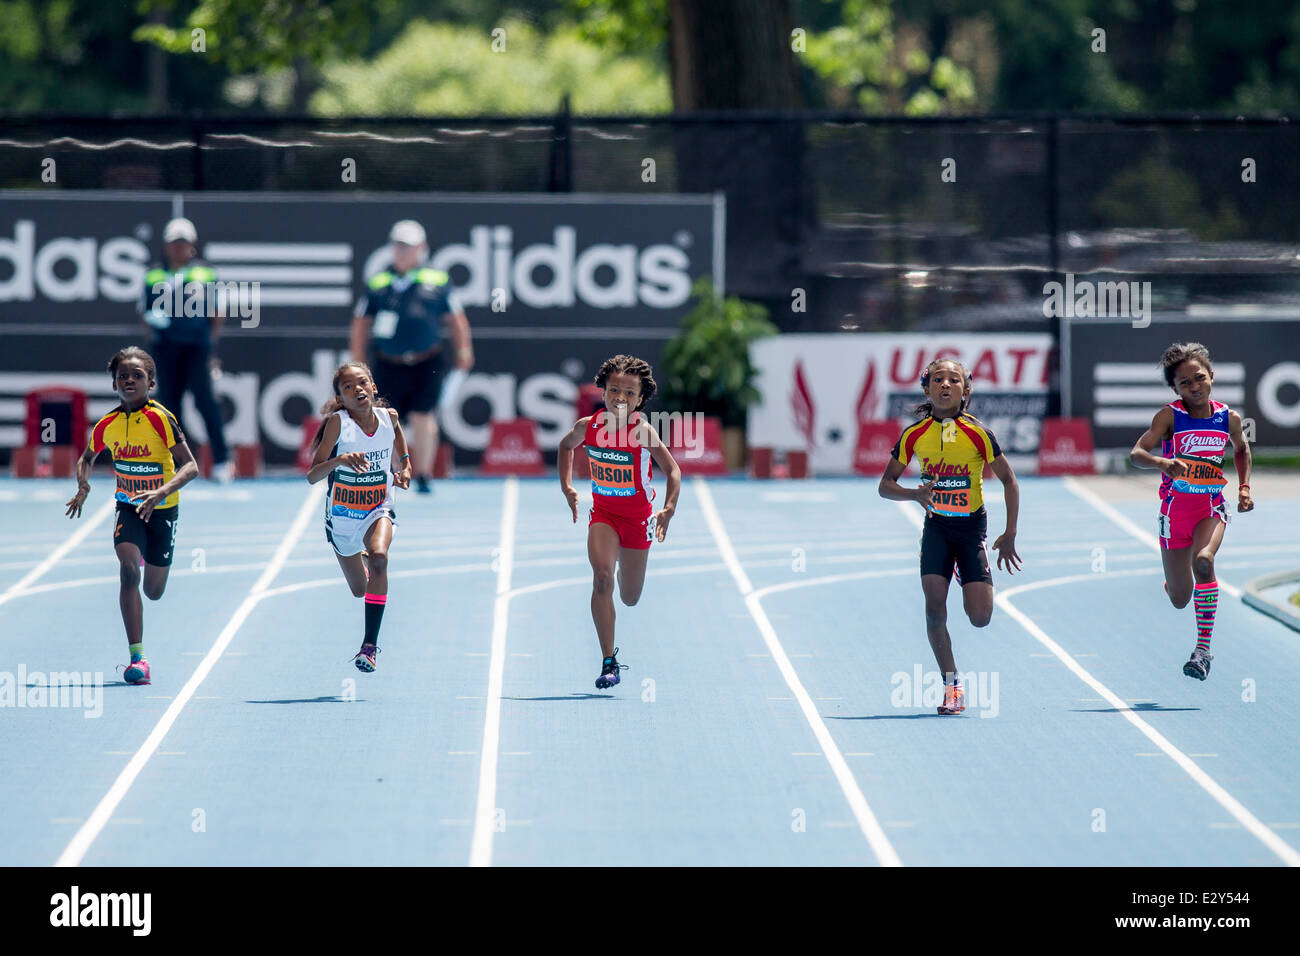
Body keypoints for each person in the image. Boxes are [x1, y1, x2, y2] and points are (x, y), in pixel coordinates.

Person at [878, 358, 1022, 715]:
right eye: (938, 379)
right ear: (927, 388)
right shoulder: (914, 435)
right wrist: (915, 494)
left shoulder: (978, 433)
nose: (946, 384)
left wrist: (1010, 533)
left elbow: (1009, 480)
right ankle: (951, 685)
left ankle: (964, 568)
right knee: (933, 611)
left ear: (965, 389)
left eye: (954, 380)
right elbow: (885, 485)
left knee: (980, 617)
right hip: (937, 529)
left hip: (971, 529)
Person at [64, 347, 199, 686]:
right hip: (129, 507)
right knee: (127, 572)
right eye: (122, 376)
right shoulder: (107, 425)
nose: (129, 380)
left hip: (162, 509)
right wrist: (83, 484)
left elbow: (191, 466)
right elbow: (87, 457)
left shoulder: (160, 418)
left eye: (137, 376)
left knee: (153, 591)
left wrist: (161, 492)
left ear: (150, 383)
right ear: (114, 384)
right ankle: (138, 658)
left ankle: (145, 555)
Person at [1129, 342, 1253, 680]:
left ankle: (1202, 651)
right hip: (1174, 514)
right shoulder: (1170, 416)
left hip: (1210, 507)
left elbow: (1241, 449)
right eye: (1185, 383)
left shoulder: (1229, 418)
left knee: (1204, 561)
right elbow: (1137, 453)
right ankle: (1174, 582)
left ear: (1211, 376)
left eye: (1199, 378)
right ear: (1176, 389)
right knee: (1180, 599)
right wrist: (1162, 462)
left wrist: (1244, 487)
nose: (1194, 386)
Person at [557, 355, 681, 689]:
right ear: (603, 391)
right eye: (614, 390)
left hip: (637, 521)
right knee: (601, 578)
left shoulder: (642, 432)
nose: (620, 398)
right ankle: (609, 661)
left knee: (629, 597)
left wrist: (668, 509)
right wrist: (567, 487)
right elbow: (565, 446)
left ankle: (627, 566)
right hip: (604, 515)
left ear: (639, 400)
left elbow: (673, 470)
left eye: (629, 393)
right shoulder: (588, 426)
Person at [350, 220, 473, 495]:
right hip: (388, 361)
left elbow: (456, 319)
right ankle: (393, 472)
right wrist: (357, 359)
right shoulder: (379, 282)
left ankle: (424, 474)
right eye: (398, 246)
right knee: (386, 418)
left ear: (421, 248)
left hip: (426, 360)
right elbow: (361, 321)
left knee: (423, 415)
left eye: (408, 246)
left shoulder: (437, 280)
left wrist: (464, 351)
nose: (402, 251)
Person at [306, 361, 412, 672]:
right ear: (341, 397)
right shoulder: (338, 424)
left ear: (373, 387)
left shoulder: (389, 417)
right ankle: (364, 561)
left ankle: (369, 647)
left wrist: (405, 466)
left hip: (378, 507)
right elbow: (313, 476)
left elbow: (398, 439)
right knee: (360, 590)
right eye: (348, 387)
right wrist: (340, 459)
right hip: (343, 518)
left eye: (362, 382)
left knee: (380, 558)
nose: (357, 389)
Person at [138, 216, 231, 482]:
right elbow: (144, 312)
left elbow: (216, 312)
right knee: (169, 406)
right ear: (166, 246)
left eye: (183, 243)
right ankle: (179, 463)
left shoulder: (205, 273)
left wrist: (210, 346)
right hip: (165, 349)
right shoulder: (153, 275)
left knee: (206, 402)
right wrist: (154, 336)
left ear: (192, 245)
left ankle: (222, 461)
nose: (179, 248)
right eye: (174, 243)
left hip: (196, 348)